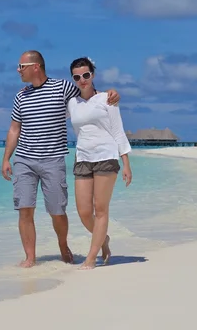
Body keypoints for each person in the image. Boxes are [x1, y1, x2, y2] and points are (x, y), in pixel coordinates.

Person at [1, 50, 120, 268]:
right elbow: (14, 128)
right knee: (24, 209)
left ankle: (63, 246)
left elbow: (88, 95)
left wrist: (109, 94)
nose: (18, 71)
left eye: (21, 66)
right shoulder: (21, 96)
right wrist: (6, 158)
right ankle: (30, 257)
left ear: (35, 66)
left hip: (53, 158)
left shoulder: (62, 88)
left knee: (57, 210)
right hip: (24, 159)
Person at [67, 57, 132, 270]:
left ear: (92, 75)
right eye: (77, 77)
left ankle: (91, 258)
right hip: (83, 158)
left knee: (100, 208)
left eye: (86, 75)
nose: (82, 80)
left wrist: (126, 162)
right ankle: (103, 239)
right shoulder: (72, 103)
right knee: (84, 212)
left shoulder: (107, 99)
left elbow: (117, 130)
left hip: (106, 156)